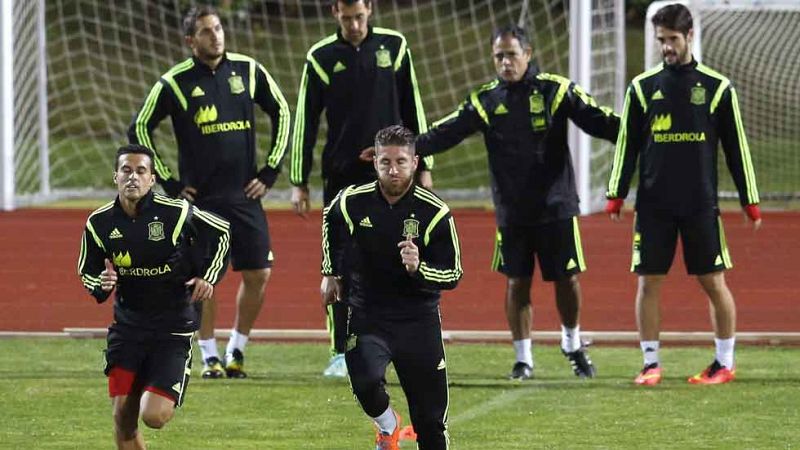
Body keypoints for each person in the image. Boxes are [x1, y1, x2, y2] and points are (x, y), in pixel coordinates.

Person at [380, 25, 619, 380]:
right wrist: (403, 149)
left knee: (566, 279)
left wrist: (641, 132)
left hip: (556, 206)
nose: (505, 62)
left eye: (511, 54)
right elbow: (445, 132)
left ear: (528, 54)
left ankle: (572, 342)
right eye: (499, 56)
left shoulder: (555, 90)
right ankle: (523, 359)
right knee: (516, 282)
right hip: (512, 211)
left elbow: (601, 122)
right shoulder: (486, 101)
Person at [128, 5, 290, 379]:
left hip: (245, 195)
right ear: (190, 41)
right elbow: (138, 129)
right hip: (200, 202)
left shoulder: (248, 70)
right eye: (205, 31)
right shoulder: (174, 82)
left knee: (258, 274)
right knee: (203, 279)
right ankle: (208, 355)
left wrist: (270, 170)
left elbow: (281, 111)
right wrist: (166, 181)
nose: (215, 35)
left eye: (217, 28)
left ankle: (237, 348)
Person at [605, 3, 761, 386]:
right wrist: (616, 193)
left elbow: (736, 148)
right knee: (648, 283)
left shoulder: (716, 88)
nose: (667, 48)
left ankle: (724, 362)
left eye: (673, 40)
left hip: (699, 204)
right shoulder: (642, 88)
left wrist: (749, 199)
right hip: (654, 205)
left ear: (690, 36)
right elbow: (628, 144)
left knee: (713, 282)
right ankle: (650, 364)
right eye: (661, 41)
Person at [291, 0, 433, 378]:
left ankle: (404, 346)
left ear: (369, 9)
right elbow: (305, 119)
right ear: (334, 12)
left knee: (401, 255)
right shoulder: (320, 57)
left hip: (393, 174)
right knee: (340, 262)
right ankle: (340, 351)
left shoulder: (395, 47)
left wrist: (426, 164)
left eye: (359, 15)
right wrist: (298, 180)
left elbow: (413, 107)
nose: (354, 24)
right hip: (342, 176)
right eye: (346, 17)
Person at [77, 144, 230, 449]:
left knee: (154, 415)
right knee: (123, 418)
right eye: (126, 170)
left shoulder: (176, 212)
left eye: (140, 171)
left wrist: (209, 277)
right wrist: (102, 282)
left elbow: (222, 231)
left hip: (172, 329)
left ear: (152, 179)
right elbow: (86, 270)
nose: (132, 177)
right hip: (128, 329)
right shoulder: (99, 223)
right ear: (115, 176)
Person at [322, 126, 462, 449]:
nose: (393, 169)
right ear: (375, 163)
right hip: (368, 314)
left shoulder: (435, 213)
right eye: (385, 162)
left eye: (401, 161)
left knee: (431, 424)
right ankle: (388, 424)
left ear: (415, 162)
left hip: (418, 320)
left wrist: (419, 268)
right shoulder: (351, 202)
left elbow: (453, 273)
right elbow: (330, 219)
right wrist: (329, 273)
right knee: (366, 381)